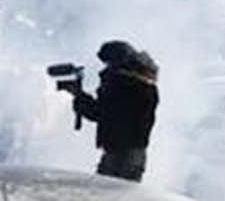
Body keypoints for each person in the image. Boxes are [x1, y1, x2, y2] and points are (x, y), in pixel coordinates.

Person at [61, 39, 159, 182]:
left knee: (106, 192)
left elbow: (101, 113)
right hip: (132, 153)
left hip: (120, 154)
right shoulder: (143, 84)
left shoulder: (123, 85)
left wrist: (79, 97)